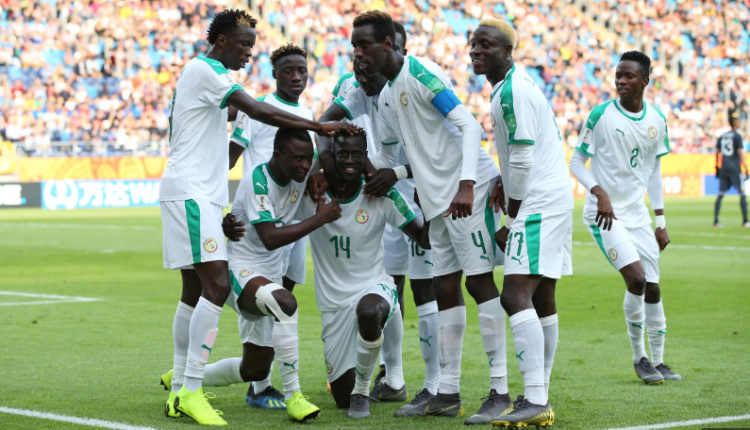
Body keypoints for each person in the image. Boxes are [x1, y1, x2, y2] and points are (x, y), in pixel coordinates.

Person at [158, 9, 353, 426]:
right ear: (222, 40)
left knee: (194, 289)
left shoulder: (201, 76)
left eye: (251, 45)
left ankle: (180, 388)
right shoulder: (208, 71)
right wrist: (319, 127)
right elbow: (257, 111)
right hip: (192, 191)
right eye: (244, 44)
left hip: (201, 195)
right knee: (215, 285)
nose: (249, 52)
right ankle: (190, 390)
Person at [349, 10, 506, 420]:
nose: (357, 53)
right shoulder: (386, 97)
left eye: (363, 44)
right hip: (437, 202)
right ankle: (446, 393)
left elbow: (469, 127)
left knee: (479, 283)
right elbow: (392, 159)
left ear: (387, 44)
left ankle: (500, 390)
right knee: (445, 287)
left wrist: (467, 184)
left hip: (468, 192)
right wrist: (353, 151)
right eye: (354, 46)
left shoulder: (421, 73)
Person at [162, 127, 341, 422]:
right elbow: (269, 237)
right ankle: (295, 396)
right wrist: (319, 218)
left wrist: (320, 176)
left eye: (308, 159)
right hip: (241, 272)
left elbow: (329, 172)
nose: (305, 166)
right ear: (278, 155)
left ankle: (181, 379)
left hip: (269, 277)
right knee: (286, 303)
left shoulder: (302, 177)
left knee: (255, 370)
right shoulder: (258, 180)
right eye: (298, 159)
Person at [319, 24, 439, 411]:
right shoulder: (356, 87)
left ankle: (435, 384)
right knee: (391, 285)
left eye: (368, 67)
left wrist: (397, 175)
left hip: (416, 193)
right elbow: (324, 126)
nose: (363, 74)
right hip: (378, 193)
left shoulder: (411, 85)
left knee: (425, 290)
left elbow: (436, 152)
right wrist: (327, 162)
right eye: (358, 67)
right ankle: (394, 377)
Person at [470, 18, 573, 427]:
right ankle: (539, 390)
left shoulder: (512, 90)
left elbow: (525, 157)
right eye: (474, 44)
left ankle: (535, 399)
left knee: (514, 295)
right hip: (549, 197)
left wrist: (512, 216)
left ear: (507, 51)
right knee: (541, 296)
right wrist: (504, 179)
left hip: (538, 203)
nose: (476, 50)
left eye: (486, 45)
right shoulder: (511, 86)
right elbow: (518, 154)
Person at [297, 129, 430, 419]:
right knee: (340, 400)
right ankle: (352, 391)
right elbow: (276, 210)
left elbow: (424, 239)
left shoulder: (381, 194)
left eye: (357, 154)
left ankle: (362, 392)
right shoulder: (313, 194)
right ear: (331, 156)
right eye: (343, 153)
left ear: (365, 157)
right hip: (334, 306)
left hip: (373, 286)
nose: (350, 160)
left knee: (370, 312)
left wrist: (428, 207)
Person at [569, 51, 682, 388]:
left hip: (638, 215)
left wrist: (660, 221)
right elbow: (576, 162)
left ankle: (659, 360)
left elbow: (654, 171)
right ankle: (639, 358)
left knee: (653, 287)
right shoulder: (601, 115)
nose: (621, 81)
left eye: (629, 76)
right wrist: (598, 192)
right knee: (637, 279)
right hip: (604, 215)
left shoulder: (657, 120)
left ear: (644, 81)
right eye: (618, 75)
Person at [227, 43, 315, 409]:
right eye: (288, 70)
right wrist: (221, 211)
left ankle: (260, 380)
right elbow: (229, 158)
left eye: (301, 71)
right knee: (273, 302)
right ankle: (262, 386)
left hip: (292, 221)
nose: (296, 77)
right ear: (274, 74)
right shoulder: (256, 109)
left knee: (281, 303)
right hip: (257, 223)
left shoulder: (307, 113)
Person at [713, 113, 749, 227]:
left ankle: (716, 221)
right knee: (742, 193)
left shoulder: (722, 136)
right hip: (734, 167)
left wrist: (717, 167)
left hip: (724, 167)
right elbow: (740, 151)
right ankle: (745, 221)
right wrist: (745, 166)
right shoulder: (737, 136)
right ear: (736, 123)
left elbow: (717, 152)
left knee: (720, 194)